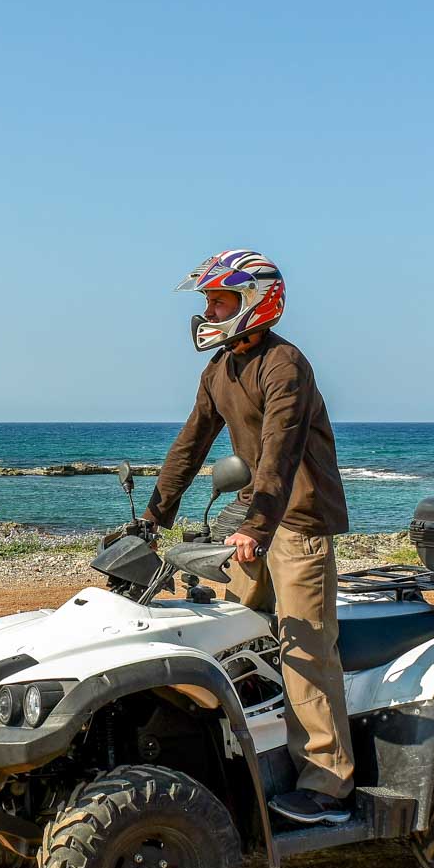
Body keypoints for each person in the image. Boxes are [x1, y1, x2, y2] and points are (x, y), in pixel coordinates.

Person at [143, 249, 355, 825]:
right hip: (254, 518)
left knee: (304, 647)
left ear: (257, 303)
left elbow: (281, 454)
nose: (209, 311)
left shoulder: (285, 365)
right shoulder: (218, 369)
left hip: (298, 521)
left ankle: (327, 784)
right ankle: (248, 758)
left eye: (220, 300)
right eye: (209, 300)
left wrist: (257, 530)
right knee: (232, 637)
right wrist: (155, 515)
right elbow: (191, 444)